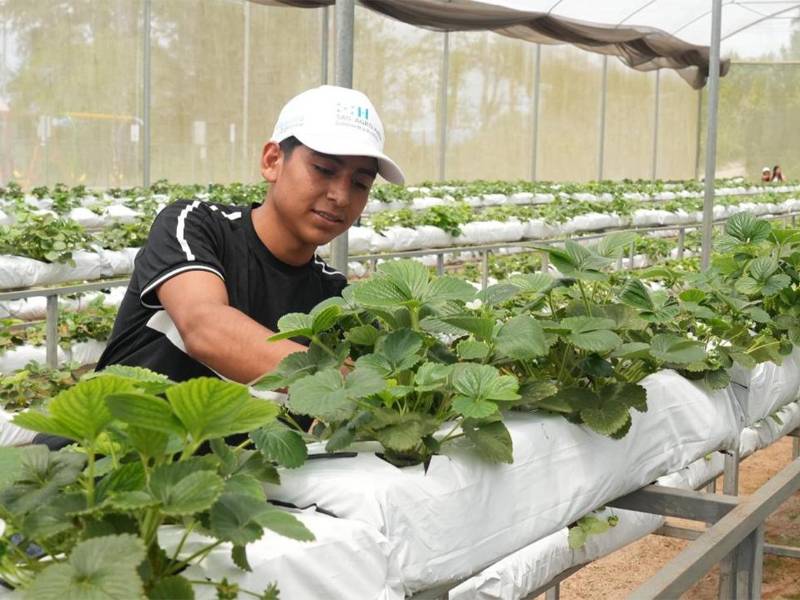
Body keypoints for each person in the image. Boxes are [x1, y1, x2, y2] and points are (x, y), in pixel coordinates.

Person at [96, 84, 404, 385]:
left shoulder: (336, 301)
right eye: (324, 169)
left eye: (360, 183)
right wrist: (353, 383)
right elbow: (205, 328)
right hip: (112, 434)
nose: (341, 196)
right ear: (272, 161)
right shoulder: (195, 226)